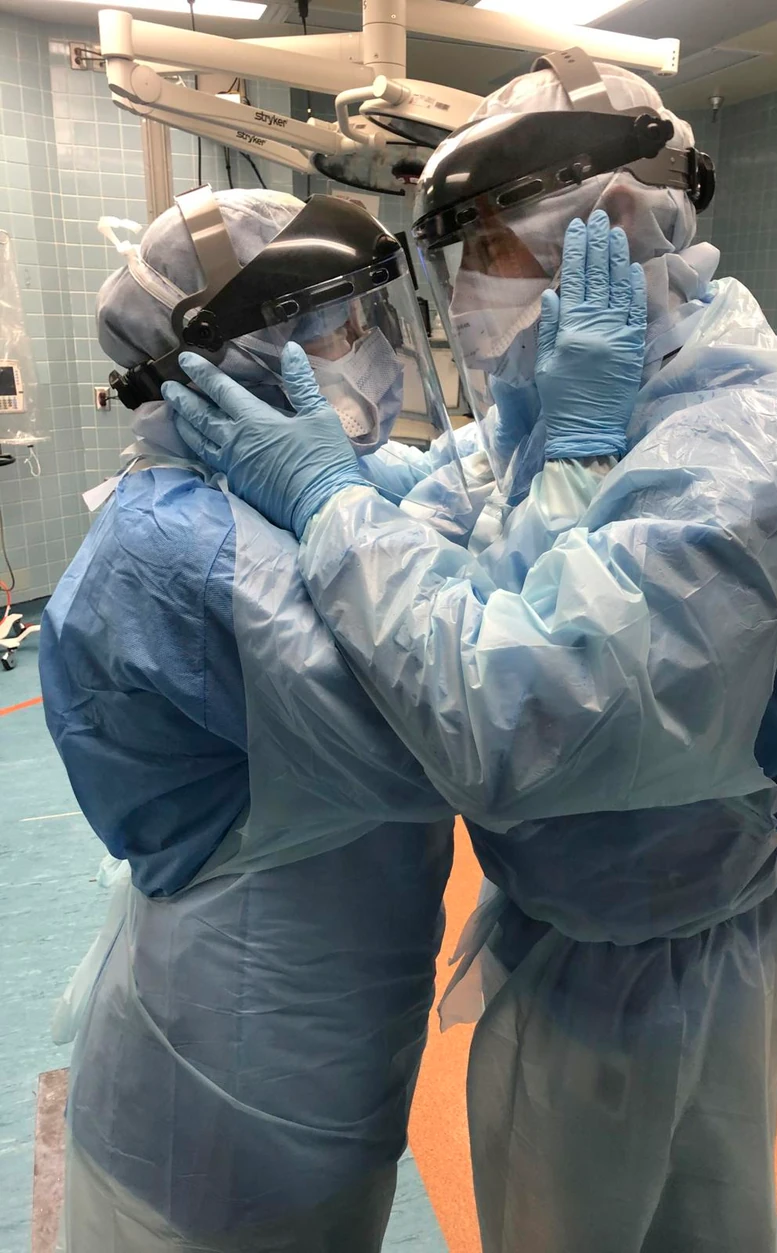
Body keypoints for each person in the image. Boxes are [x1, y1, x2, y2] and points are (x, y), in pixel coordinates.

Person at [165, 54, 777, 1253]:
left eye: (487, 245)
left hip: (662, 963)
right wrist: (334, 468)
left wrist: (332, 507)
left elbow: (521, 719)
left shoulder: (746, 455)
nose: (466, 289)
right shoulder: (591, 388)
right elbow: (459, 492)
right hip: (574, 930)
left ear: (612, 218)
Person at [39, 187, 484, 1253]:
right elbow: (462, 730)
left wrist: (527, 423)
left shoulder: (248, 495)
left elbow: (412, 495)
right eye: (333, 322)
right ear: (229, 356)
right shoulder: (190, 556)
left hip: (309, 1038)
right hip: (233, 1085)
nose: (364, 343)